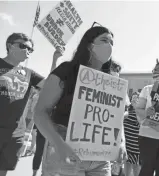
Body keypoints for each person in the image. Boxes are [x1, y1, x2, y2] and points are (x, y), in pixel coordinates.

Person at [34, 25, 126, 176]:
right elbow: (40, 112)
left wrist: (121, 143)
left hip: (100, 158)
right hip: (65, 149)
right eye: (104, 40)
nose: (109, 45)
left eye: (111, 42)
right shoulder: (66, 71)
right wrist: (59, 144)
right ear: (90, 45)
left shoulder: (111, 80)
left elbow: (116, 118)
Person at [0, 33, 44, 176]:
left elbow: (52, 85)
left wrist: (56, 58)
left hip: (15, 135)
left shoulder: (29, 74)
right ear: (10, 46)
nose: (27, 51)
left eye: (30, 49)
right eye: (23, 46)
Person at [123, 92, 141, 176]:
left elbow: (140, 123)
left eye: (136, 98)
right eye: (133, 97)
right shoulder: (127, 109)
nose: (134, 99)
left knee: (136, 169)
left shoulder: (140, 111)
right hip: (127, 145)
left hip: (135, 146)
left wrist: (136, 107)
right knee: (127, 167)